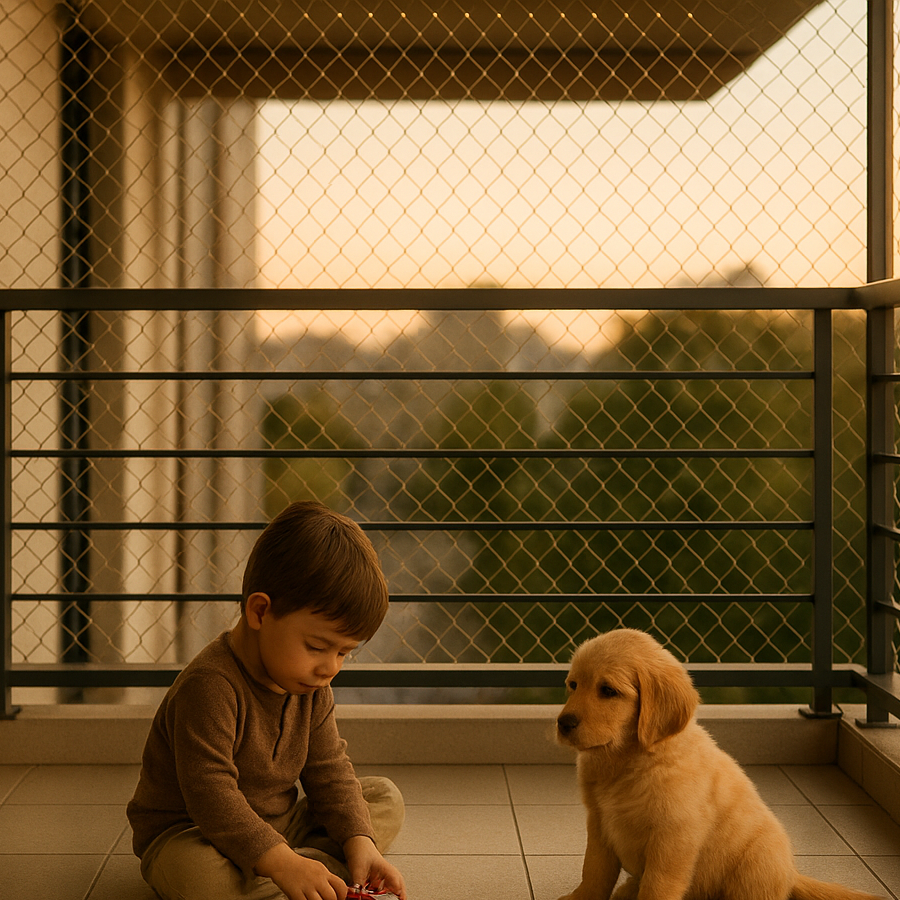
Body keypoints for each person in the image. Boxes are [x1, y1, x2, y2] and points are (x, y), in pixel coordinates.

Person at [127, 500, 407, 900]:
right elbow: (211, 796)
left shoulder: (311, 686)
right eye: (317, 646)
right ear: (260, 611)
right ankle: (301, 870)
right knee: (198, 877)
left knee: (382, 798)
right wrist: (282, 860)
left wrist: (360, 841)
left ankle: (302, 870)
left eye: (344, 653)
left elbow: (329, 771)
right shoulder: (209, 686)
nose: (331, 668)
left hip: (279, 823)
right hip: (192, 833)